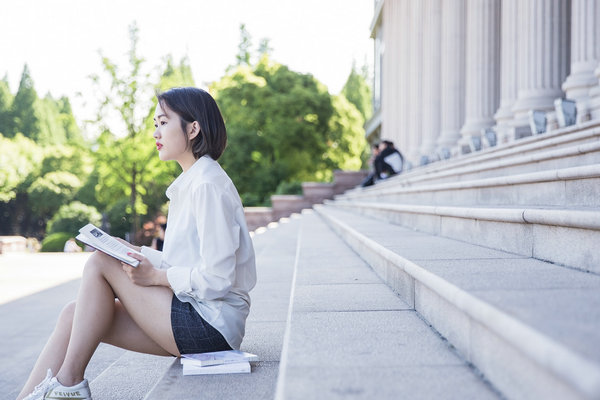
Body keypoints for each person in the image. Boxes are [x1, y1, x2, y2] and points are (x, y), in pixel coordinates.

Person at [17, 87, 257, 400]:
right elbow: (184, 263)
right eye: (155, 124)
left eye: (163, 122)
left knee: (101, 263)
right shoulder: (193, 182)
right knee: (73, 314)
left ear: (193, 128)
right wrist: (134, 252)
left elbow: (218, 278)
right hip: (194, 319)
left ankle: (69, 384)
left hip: (210, 328)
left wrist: (156, 276)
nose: (155, 132)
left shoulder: (208, 185)